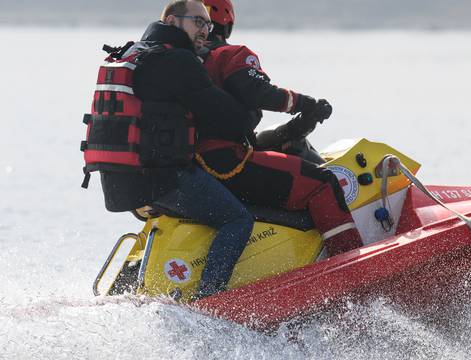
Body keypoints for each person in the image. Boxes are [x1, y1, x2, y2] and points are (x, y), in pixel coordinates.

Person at [81, 0, 254, 297]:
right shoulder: (178, 61)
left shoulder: (133, 53)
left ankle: (127, 290)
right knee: (237, 218)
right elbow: (230, 117)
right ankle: (210, 297)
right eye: (198, 22)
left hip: (118, 181)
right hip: (160, 179)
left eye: (208, 24)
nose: (205, 30)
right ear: (172, 21)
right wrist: (254, 106)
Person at [192, 0, 364, 256]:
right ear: (227, 21)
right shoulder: (230, 55)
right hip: (227, 163)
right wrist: (306, 103)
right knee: (323, 183)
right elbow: (260, 93)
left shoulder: (181, 61)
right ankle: (351, 263)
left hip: (193, 169)